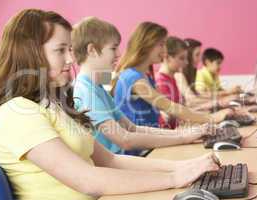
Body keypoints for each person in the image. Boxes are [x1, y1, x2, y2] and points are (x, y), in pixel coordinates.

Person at [0, 9, 219, 200]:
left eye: (69, 49)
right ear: (29, 52)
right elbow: (87, 179)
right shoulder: (17, 113)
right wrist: (175, 178)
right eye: (61, 50)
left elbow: (109, 159)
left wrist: (184, 167)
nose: (71, 60)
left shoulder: (54, 103)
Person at [72, 17, 214, 156]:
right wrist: (183, 137)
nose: (119, 54)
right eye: (113, 48)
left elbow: (132, 128)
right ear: (91, 50)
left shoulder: (96, 87)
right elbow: (124, 140)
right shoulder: (86, 91)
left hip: (130, 156)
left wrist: (182, 134)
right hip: (125, 159)